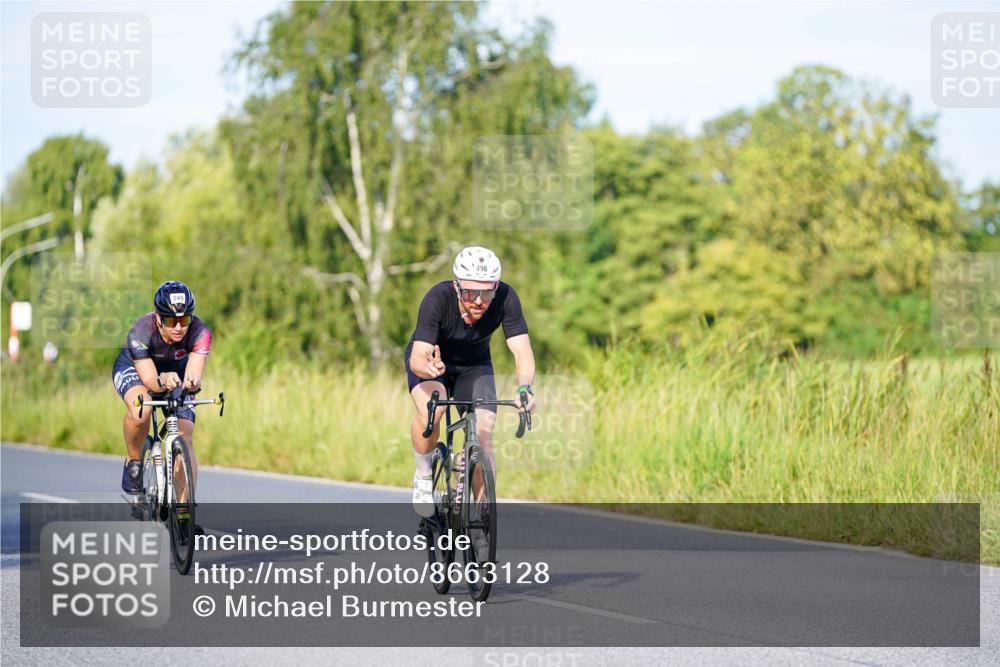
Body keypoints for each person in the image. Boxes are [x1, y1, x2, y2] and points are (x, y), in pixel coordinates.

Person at [405, 246, 537, 517]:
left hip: (474, 367)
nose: (478, 300)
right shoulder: (438, 298)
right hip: (433, 363)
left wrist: (525, 388)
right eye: (469, 292)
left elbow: (522, 351)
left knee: (484, 433)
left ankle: (481, 513)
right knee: (434, 408)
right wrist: (428, 368)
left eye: (486, 292)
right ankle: (422, 473)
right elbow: (417, 356)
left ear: (496, 287)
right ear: (456, 287)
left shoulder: (506, 298)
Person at [113, 281, 211, 531]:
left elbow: (194, 374)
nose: (178, 327)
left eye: (184, 319)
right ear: (158, 318)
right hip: (137, 369)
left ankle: (183, 513)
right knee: (142, 408)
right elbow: (149, 381)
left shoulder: (200, 332)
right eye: (170, 321)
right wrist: (162, 381)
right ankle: (134, 461)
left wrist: (191, 382)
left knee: (185, 434)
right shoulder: (140, 331)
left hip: (174, 373)